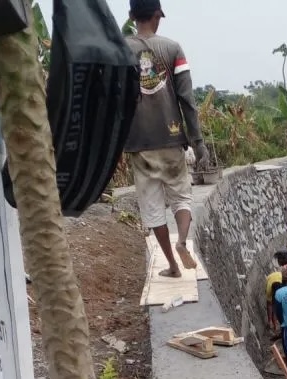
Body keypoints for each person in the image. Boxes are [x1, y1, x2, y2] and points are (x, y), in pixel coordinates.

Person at [124, 0, 209, 278]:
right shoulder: (173, 49)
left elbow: (114, 100)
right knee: (182, 197)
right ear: (158, 15)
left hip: (139, 143)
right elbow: (187, 99)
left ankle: (172, 265)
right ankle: (183, 241)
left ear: (131, 16)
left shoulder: (122, 50)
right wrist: (198, 142)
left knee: (152, 209)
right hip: (172, 138)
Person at [266, 250, 287, 333]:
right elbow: (270, 304)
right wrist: (271, 322)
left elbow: (275, 306)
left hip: (284, 282)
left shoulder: (286, 273)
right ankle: (273, 324)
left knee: (282, 306)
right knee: (273, 305)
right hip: (274, 280)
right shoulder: (269, 288)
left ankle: (281, 326)